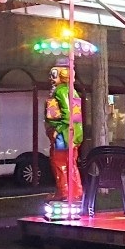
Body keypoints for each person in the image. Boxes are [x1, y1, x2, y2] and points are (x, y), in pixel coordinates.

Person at [45, 63, 84, 204]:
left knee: (59, 162)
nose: (51, 78)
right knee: (70, 163)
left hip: (64, 135)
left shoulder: (60, 91)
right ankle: (75, 192)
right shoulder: (72, 91)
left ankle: (64, 192)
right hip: (73, 135)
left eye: (54, 75)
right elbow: (75, 115)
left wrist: (58, 129)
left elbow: (68, 115)